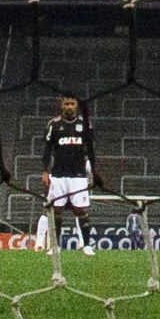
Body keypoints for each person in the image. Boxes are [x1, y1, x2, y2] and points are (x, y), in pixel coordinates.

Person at [38, 95, 97, 256]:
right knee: (56, 211)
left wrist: (92, 171)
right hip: (58, 175)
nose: (69, 106)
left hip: (78, 175)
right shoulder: (54, 125)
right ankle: (55, 246)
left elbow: (90, 149)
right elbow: (47, 150)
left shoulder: (84, 124)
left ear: (76, 105)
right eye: (66, 103)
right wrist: (45, 170)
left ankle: (86, 245)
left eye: (72, 103)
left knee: (82, 210)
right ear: (62, 105)